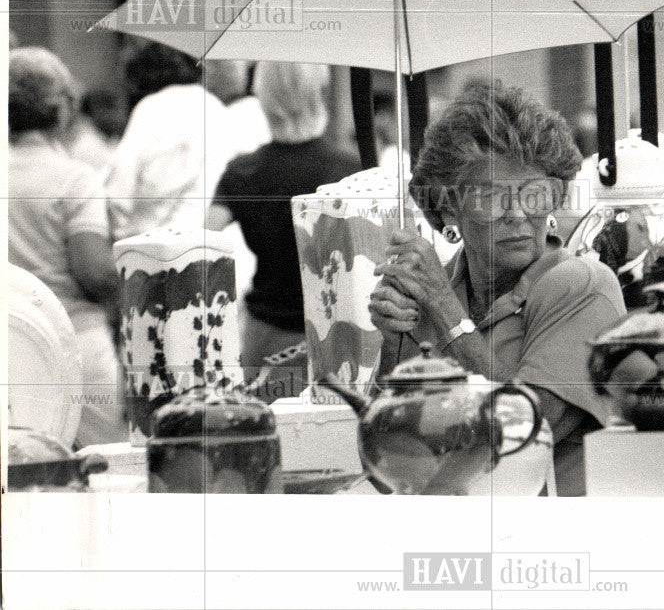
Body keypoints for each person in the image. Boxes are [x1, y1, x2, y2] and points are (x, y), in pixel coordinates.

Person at [367, 79, 627, 496]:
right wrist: (393, 337)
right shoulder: (434, 286)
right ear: (448, 204)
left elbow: (521, 430)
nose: (518, 213)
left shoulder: (581, 284)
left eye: (536, 194)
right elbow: (391, 460)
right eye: (491, 197)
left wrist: (444, 309)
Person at [207, 62, 361, 399]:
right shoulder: (351, 171)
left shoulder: (242, 172)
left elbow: (204, 245)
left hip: (265, 338)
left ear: (262, 96)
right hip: (335, 336)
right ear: (320, 92)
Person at [8, 47, 127, 446]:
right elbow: (94, 271)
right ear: (61, 111)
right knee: (107, 461)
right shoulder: (76, 179)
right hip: (76, 340)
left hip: (11, 340)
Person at [105, 41, 232, 239]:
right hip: (200, 237)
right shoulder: (219, 111)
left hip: (147, 240)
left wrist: (118, 233)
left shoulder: (151, 107)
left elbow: (119, 186)